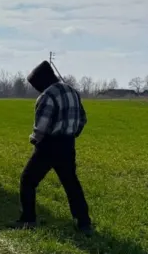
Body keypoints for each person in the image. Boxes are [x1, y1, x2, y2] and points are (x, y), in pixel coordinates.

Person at [14, 60, 92, 235]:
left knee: (28, 181)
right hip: (68, 144)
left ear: (42, 81)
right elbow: (83, 119)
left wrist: (35, 141)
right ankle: (84, 223)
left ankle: (28, 220)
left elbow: (41, 127)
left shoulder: (47, 96)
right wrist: (72, 134)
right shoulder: (73, 92)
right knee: (71, 184)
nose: (37, 89)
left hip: (49, 145)